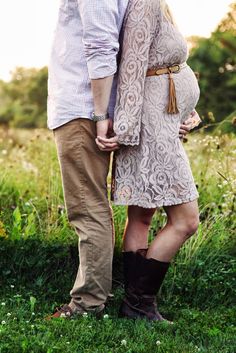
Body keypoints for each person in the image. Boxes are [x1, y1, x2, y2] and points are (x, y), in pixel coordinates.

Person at [47, 0, 197, 319]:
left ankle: (91, 303)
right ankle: (132, 303)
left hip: (84, 106)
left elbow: (105, 47)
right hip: (107, 110)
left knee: (89, 209)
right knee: (126, 213)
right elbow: (134, 60)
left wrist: (106, 115)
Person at [96, 0, 201, 321]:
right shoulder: (144, 3)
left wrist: (188, 112)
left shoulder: (158, 4)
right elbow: (132, 66)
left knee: (141, 217)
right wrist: (125, 128)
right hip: (149, 128)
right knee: (187, 220)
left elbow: (169, 73)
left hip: (163, 121)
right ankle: (139, 303)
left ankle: (135, 305)